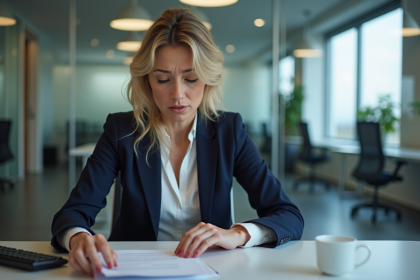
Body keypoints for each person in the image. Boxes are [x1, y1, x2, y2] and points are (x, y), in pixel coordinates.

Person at [51, 8, 304, 277]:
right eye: (163, 79)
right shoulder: (121, 130)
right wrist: (79, 239)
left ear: (207, 80)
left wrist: (238, 234)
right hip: (134, 271)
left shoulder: (229, 130)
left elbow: (288, 216)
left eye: (191, 79)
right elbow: (73, 214)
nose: (178, 94)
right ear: (147, 80)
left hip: (211, 269)